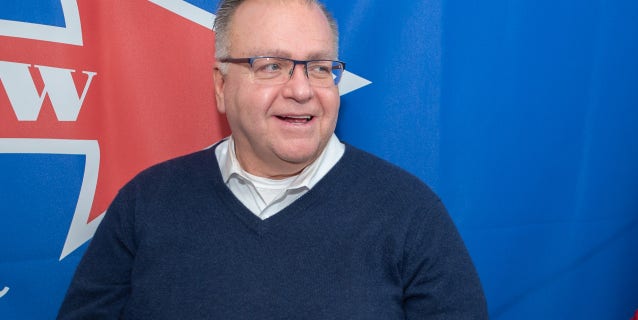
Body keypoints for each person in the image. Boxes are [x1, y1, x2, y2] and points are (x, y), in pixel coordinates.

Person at [57, 0, 488, 319]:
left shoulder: (409, 213)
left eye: (319, 67)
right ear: (221, 86)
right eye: (271, 65)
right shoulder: (145, 202)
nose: (301, 90)